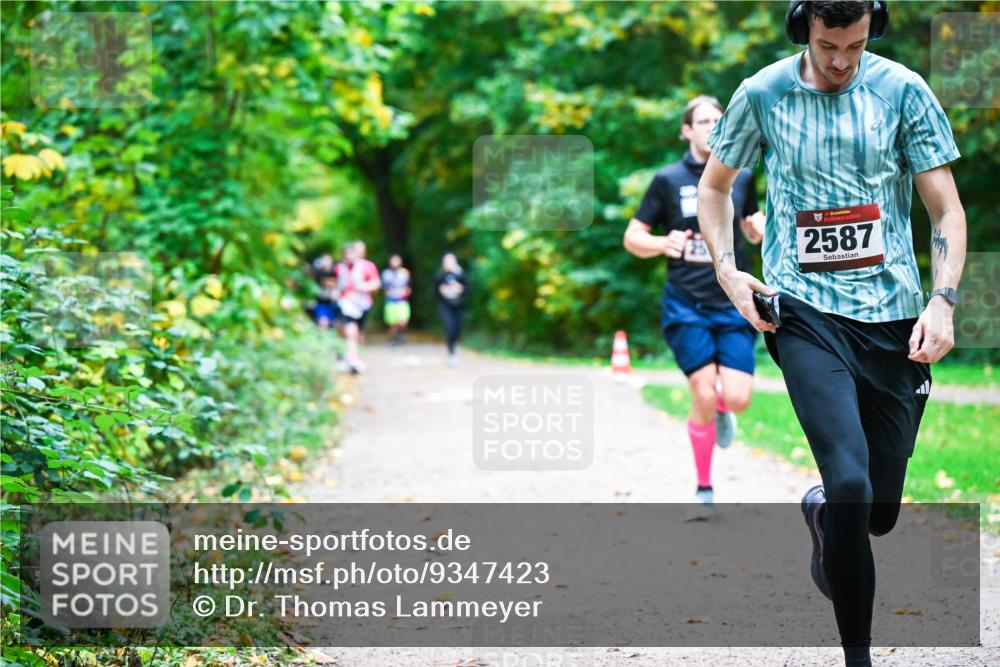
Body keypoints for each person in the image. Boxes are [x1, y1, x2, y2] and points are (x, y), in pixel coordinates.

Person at [697, 3, 965, 665]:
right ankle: (857, 656)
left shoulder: (903, 91)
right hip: (805, 313)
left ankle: (822, 515)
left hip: (894, 318)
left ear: (873, 29)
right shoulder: (763, 94)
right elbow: (715, 188)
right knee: (850, 482)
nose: (841, 60)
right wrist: (730, 274)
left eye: (855, 45)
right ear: (803, 29)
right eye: (826, 45)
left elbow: (946, 210)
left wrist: (942, 299)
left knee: (877, 513)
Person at [623, 94, 766, 516]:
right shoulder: (667, 180)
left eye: (718, 121)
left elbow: (751, 228)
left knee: (736, 398)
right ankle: (704, 487)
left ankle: (722, 410)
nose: (711, 128)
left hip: (734, 302)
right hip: (686, 303)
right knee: (702, 390)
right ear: (686, 130)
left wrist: (756, 231)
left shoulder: (741, 176)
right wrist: (660, 243)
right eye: (703, 121)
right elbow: (633, 237)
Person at [336, 241, 381, 373]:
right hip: (346, 304)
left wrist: (364, 287)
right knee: (350, 331)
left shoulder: (368, 266)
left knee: (359, 334)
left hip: (363, 304)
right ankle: (351, 358)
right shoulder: (339, 267)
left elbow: (376, 284)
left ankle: (356, 358)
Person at [434, 253, 468, 366]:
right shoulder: (440, 276)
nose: (448, 264)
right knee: (450, 327)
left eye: (451, 262)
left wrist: (461, 289)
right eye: (446, 262)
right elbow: (434, 293)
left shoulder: (460, 276)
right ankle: (451, 353)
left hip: (458, 306)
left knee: (457, 329)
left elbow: (468, 289)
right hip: (445, 306)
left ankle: (455, 346)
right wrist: (441, 290)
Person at [381, 254, 412, 345]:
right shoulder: (386, 273)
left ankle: (400, 336)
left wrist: (406, 292)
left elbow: (409, 286)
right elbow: (384, 288)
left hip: (402, 300)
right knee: (393, 323)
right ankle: (392, 338)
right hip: (391, 301)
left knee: (403, 320)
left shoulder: (405, 273)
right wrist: (391, 293)